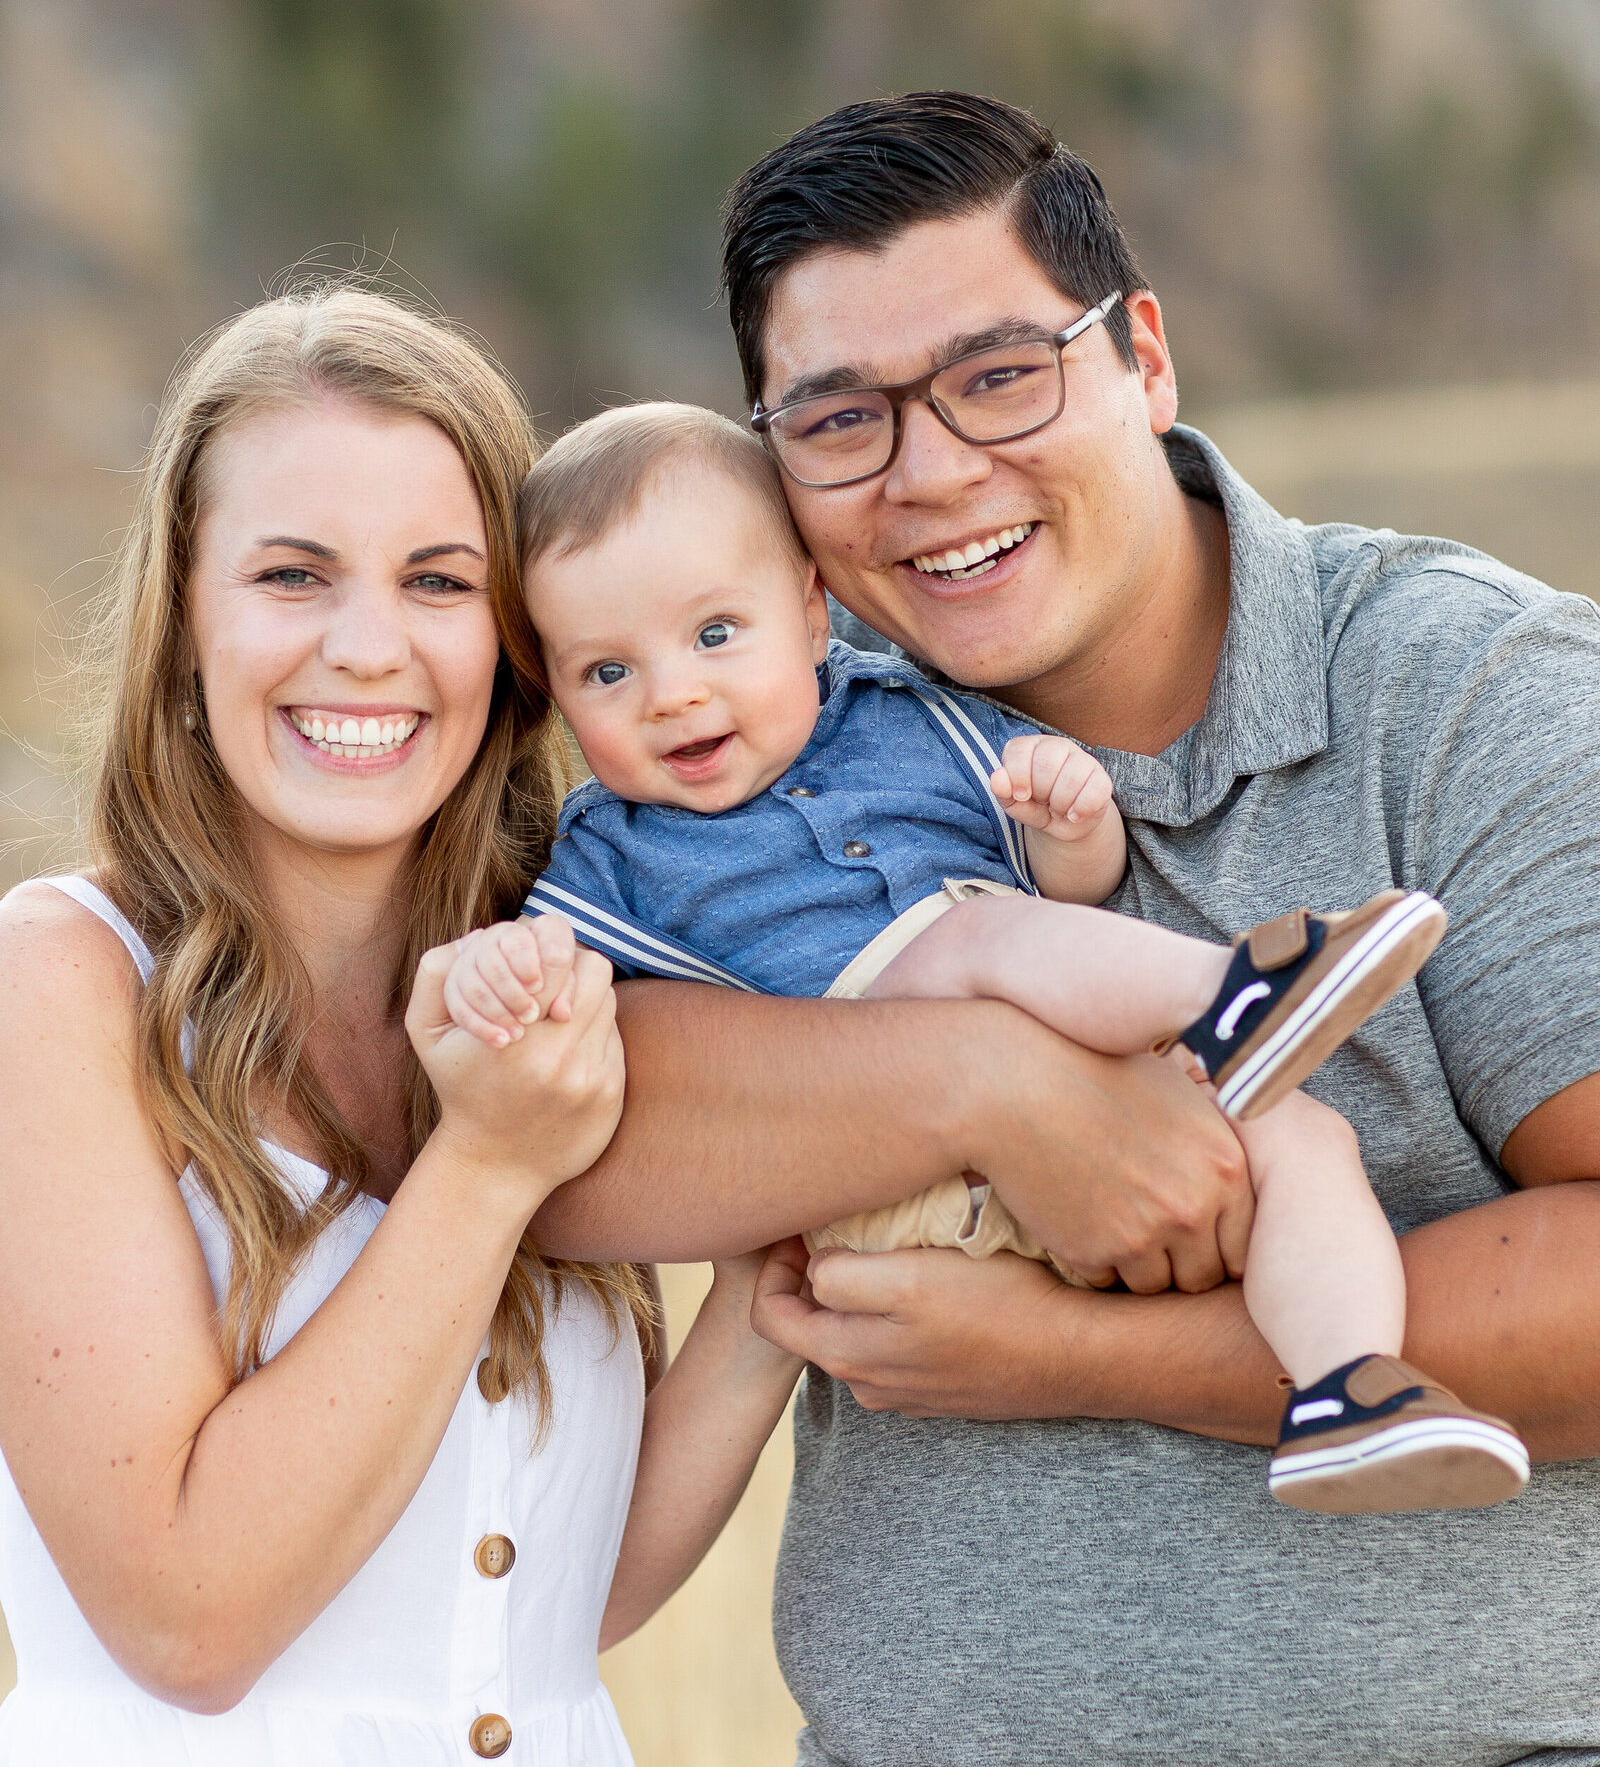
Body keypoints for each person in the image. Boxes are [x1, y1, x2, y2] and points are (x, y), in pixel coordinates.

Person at [532, 94, 1600, 1767]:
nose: (934, 470)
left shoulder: (1470, 695)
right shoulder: (747, 730)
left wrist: (1084, 1354)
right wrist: (994, 1095)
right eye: (839, 422)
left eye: (999, 374)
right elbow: (571, 1131)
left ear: (1144, 362)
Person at [455, 397, 1523, 1513]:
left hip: (1079, 1106)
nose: (673, 693)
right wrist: (506, 972)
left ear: (811, 616)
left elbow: (1071, 888)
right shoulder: (612, 848)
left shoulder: (913, 718)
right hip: (880, 1169)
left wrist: (1070, 825)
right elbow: (565, 1014)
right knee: (978, 933)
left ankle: (1346, 1390)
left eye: (715, 635)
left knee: (1303, 1131)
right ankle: (1236, 997)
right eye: (606, 675)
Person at [0, 286, 800, 1766]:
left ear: (518, 643)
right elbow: (189, 1621)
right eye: (295, 576)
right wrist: (489, 1170)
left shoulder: (563, 976)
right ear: (186, 616)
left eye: (438, 583)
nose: (369, 649)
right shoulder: (60, 984)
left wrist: (768, 1290)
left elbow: (549, 1597)